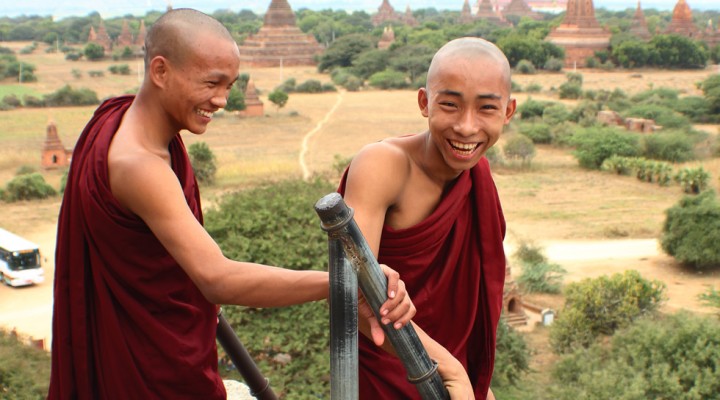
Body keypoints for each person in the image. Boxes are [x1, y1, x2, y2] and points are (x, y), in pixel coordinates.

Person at [48, 9, 414, 399]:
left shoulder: (116, 118)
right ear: (160, 71)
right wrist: (343, 281)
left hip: (149, 334)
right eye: (211, 83)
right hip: (150, 366)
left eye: (230, 85)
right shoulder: (139, 166)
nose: (222, 100)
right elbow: (216, 278)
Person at [338, 37, 516, 400]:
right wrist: (451, 369)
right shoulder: (382, 164)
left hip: (455, 381)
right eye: (450, 105)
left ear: (508, 112)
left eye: (486, 109)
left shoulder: (478, 177)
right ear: (424, 102)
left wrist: (472, 382)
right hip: (388, 370)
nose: (467, 127)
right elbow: (350, 294)